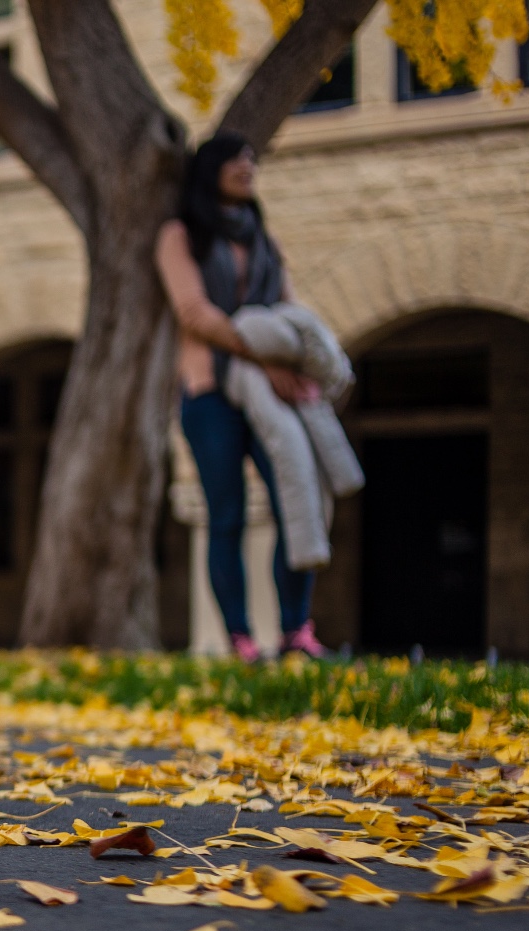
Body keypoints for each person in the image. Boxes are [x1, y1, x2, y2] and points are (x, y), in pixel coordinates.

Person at [156, 132, 332, 662]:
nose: (247, 165)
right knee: (226, 513)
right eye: (237, 157)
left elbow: (288, 306)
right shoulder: (181, 235)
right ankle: (239, 637)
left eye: (251, 157)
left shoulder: (263, 238)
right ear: (211, 169)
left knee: (295, 500)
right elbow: (193, 312)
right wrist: (263, 357)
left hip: (269, 390)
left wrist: (296, 361)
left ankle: (296, 631)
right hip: (210, 391)